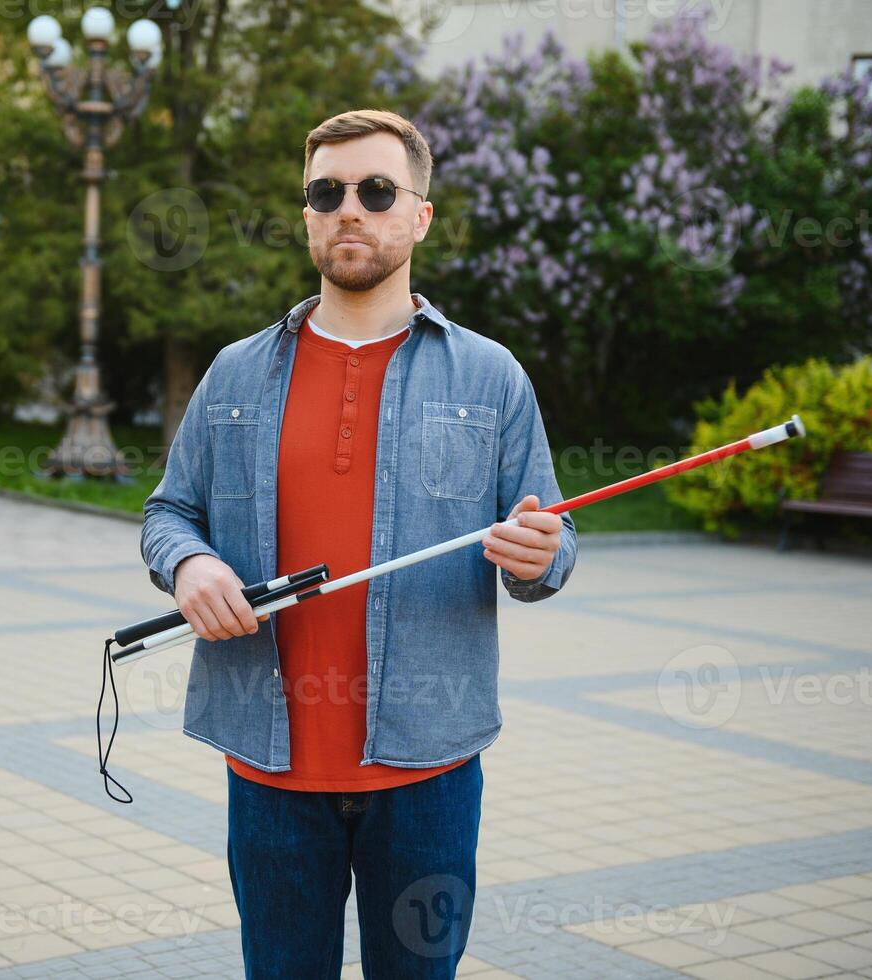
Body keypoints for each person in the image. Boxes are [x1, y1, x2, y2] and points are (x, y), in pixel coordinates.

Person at [140, 108, 577, 979]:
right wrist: (190, 564)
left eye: (376, 190)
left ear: (417, 215)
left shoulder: (490, 375)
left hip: (428, 769)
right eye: (326, 191)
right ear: (305, 214)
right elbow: (167, 513)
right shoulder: (235, 371)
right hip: (269, 773)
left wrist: (542, 557)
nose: (350, 209)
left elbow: (553, 540)